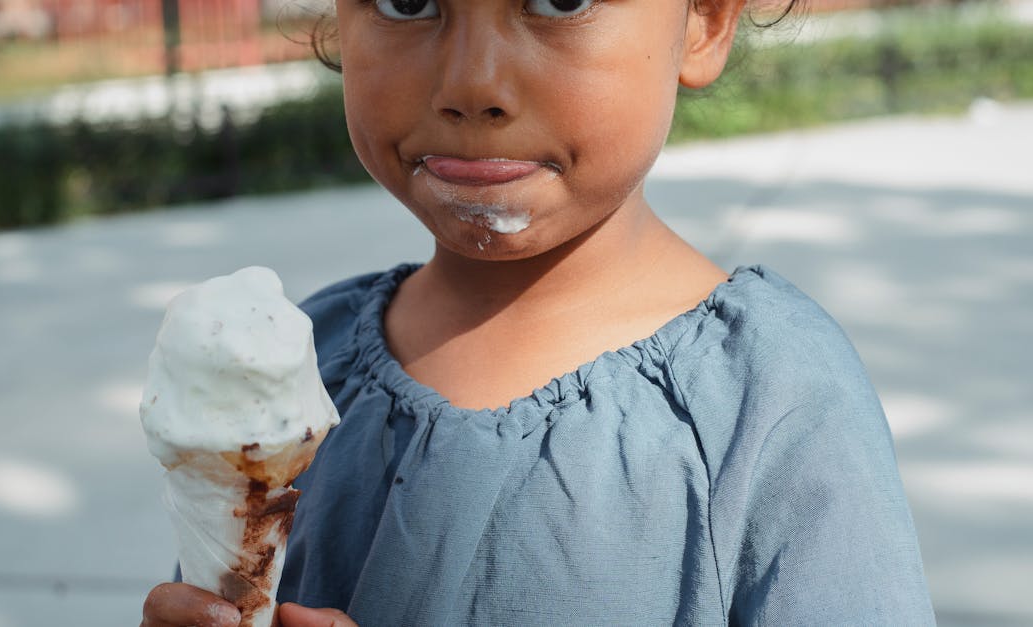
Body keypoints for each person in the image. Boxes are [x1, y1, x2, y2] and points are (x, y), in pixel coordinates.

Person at [142, 0, 936, 625]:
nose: (472, 84)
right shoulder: (299, 367)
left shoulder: (772, 400)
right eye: (406, 1)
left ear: (704, 20)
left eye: (559, 0)